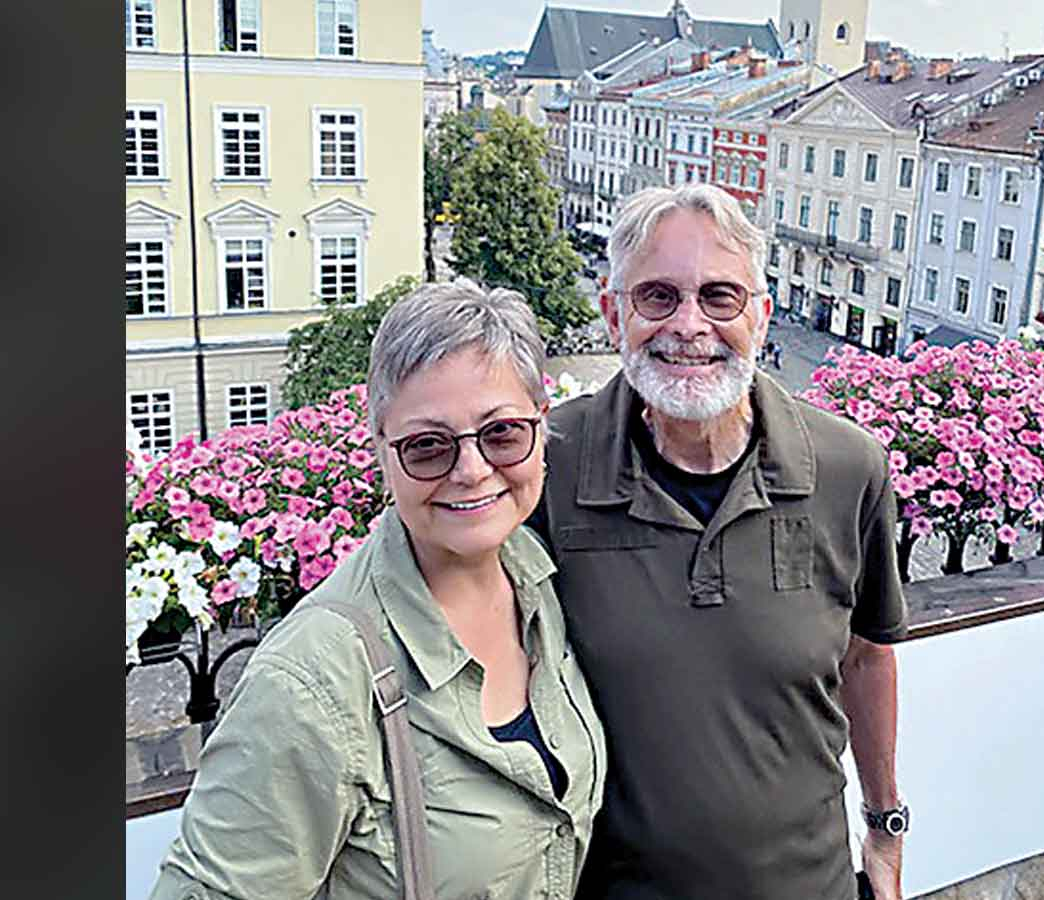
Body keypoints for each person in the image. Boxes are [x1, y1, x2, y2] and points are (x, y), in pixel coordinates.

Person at [149, 280, 607, 900]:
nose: (472, 470)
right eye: (427, 447)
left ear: (541, 430)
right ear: (382, 453)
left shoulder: (538, 580)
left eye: (502, 434)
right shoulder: (312, 680)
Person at [528, 184, 908, 900]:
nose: (690, 326)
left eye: (721, 297)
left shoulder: (848, 467)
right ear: (614, 314)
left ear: (760, 316)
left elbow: (867, 655)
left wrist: (885, 827)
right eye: (658, 297)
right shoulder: (550, 464)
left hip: (810, 886)